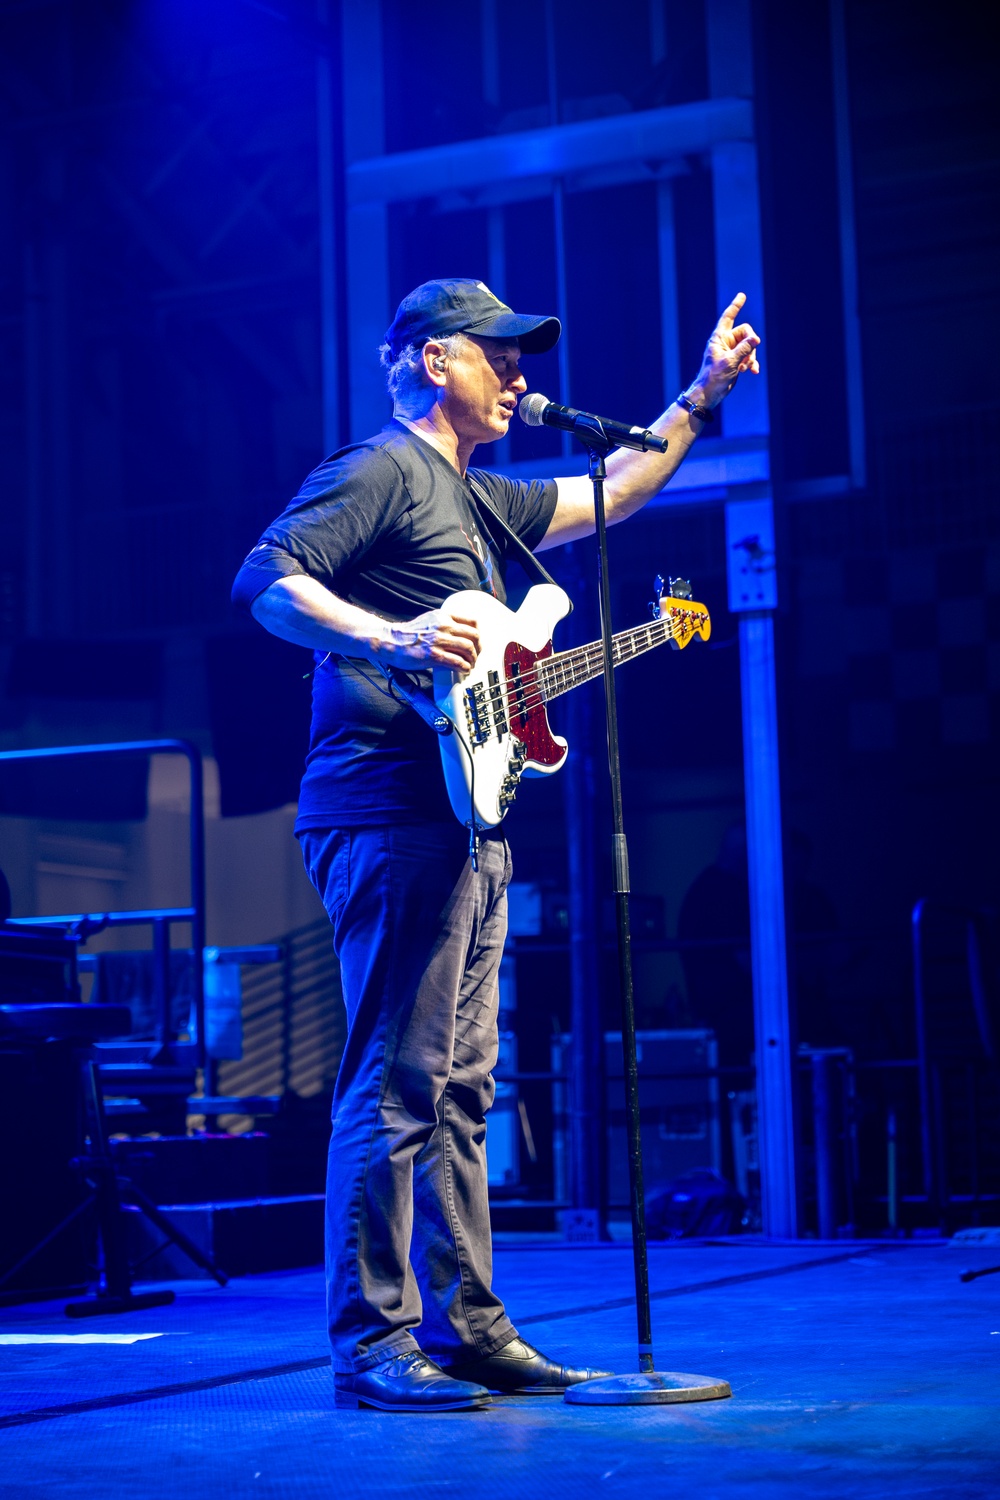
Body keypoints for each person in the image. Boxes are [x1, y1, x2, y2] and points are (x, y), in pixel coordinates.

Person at [232, 277, 760, 1412]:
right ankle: (372, 1341)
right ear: (435, 362)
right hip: (381, 808)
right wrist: (395, 633)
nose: (520, 374)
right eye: (498, 355)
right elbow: (263, 580)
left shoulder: (482, 501)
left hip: (469, 815)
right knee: (394, 1083)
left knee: (463, 1086)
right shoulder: (378, 470)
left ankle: (467, 1326)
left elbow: (618, 487)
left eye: (523, 359)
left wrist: (704, 390)